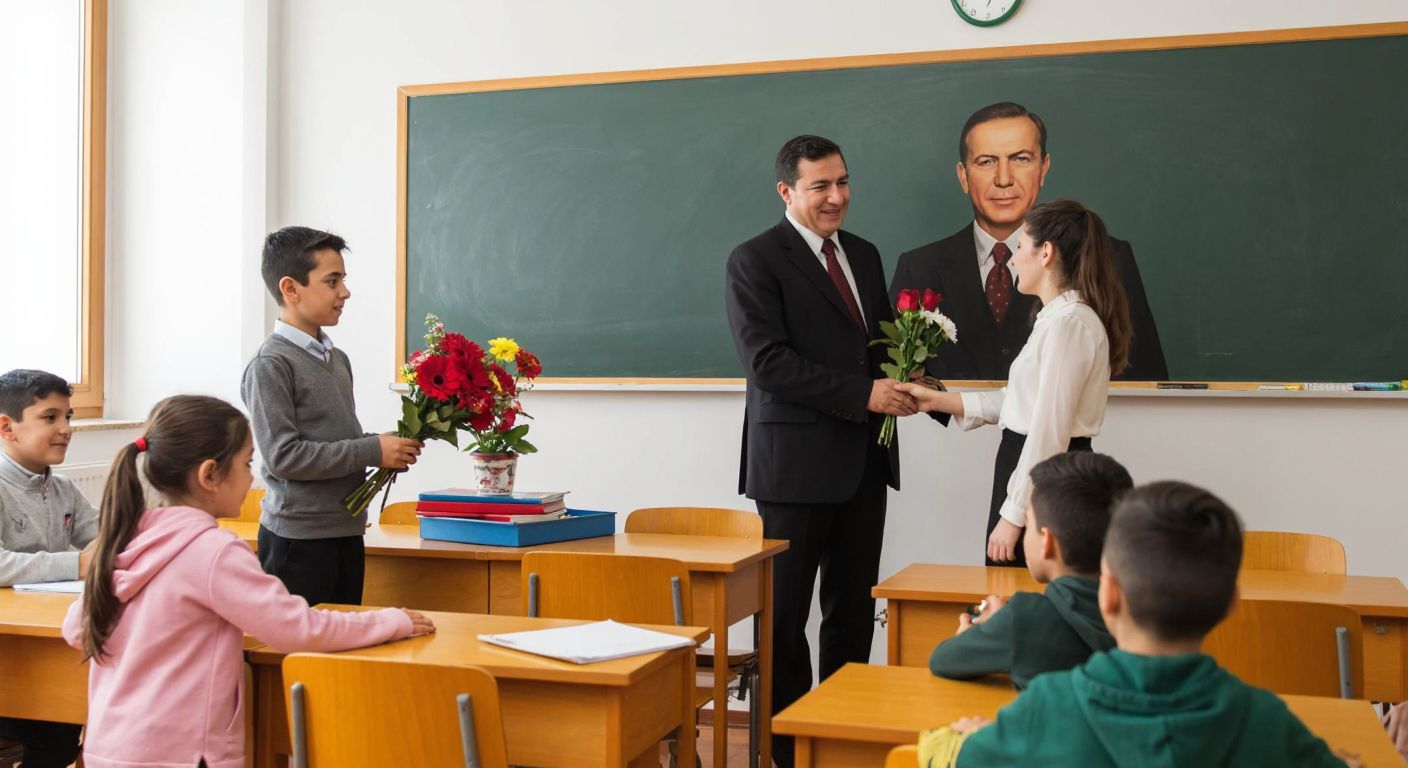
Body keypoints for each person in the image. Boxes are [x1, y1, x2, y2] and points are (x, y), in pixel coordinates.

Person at [61, 395, 433, 768]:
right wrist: (390, 621)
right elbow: (297, 628)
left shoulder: (125, 539)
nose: (252, 476)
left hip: (108, 748)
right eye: (247, 462)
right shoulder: (213, 551)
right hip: (185, 755)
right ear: (209, 475)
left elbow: (75, 629)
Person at [919, 481, 1347, 767]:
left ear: (1107, 594)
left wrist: (971, 736)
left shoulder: (1046, 708)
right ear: (1229, 607)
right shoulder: (1267, 724)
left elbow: (941, 754)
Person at [724, 134, 913, 766]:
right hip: (793, 472)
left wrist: (914, 383)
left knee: (852, 616)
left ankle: (840, 743)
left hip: (864, 462)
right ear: (787, 191)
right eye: (820, 186)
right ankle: (785, 752)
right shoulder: (755, 259)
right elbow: (769, 363)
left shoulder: (863, 253)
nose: (837, 197)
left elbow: (877, 345)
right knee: (782, 624)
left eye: (843, 182)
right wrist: (865, 394)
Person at [900, 199, 1131, 566]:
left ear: (1046, 254)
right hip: (1035, 472)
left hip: (1046, 479)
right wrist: (937, 400)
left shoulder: (1069, 324)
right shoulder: (1056, 319)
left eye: (1020, 247)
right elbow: (1023, 402)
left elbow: (1048, 430)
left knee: (1019, 595)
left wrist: (1014, 515)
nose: (1010, 259)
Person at [890, 101, 1166, 386]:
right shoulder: (918, 267)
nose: (1004, 179)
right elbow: (894, 380)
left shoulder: (1107, 256)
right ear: (963, 175)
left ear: (1043, 168)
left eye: (1020, 159)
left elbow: (1145, 380)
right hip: (947, 429)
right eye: (986, 162)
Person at [241, 226, 421, 606]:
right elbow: (284, 457)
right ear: (291, 289)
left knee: (342, 653)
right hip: (298, 540)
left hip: (345, 531)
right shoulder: (270, 365)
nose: (345, 292)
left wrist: (386, 446)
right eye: (332, 281)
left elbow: (332, 438)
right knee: (303, 658)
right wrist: (372, 451)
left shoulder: (336, 359)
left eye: (343, 280)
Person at [930, 452, 1130, 689]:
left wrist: (983, 631)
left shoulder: (1024, 618)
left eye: (1028, 522)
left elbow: (943, 661)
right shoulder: (1146, 608)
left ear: (1047, 542)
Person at [0, 369, 97, 767]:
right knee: (51, 730)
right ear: (7, 427)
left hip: (53, 638)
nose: (66, 429)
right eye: (50, 417)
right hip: (10, 650)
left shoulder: (62, 489)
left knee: (63, 727)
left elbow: (107, 535)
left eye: (69, 417)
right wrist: (77, 563)